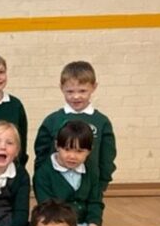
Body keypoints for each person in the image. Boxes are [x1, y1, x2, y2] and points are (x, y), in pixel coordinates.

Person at [33, 120, 117, 226]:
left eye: (80, 151)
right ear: (57, 145)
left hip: (86, 225)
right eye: (67, 149)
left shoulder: (91, 170)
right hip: (60, 225)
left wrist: (94, 224)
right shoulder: (44, 173)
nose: (72, 156)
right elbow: (48, 208)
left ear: (89, 151)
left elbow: (95, 201)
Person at [34, 60, 116, 192]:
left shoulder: (102, 122)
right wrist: (42, 181)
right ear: (61, 88)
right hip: (55, 188)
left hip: (90, 188)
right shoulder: (52, 120)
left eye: (83, 91)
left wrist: (102, 183)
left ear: (94, 87)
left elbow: (107, 157)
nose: (76, 96)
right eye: (70, 91)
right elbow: (41, 155)